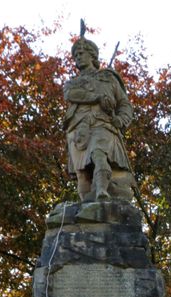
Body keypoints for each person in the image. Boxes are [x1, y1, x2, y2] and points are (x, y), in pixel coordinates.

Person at [64, 37, 134, 201]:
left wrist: (121, 119)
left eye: (81, 53)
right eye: (75, 56)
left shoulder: (108, 78)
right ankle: (86, 204)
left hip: (102, 124)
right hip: (77, 128)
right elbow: (70, 95)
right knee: (82, 172)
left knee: (99, 155)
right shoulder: (72, 83)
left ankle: (102, 192)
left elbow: (125, 104)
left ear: (92, 55)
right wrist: (96, 97)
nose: (78, 58)